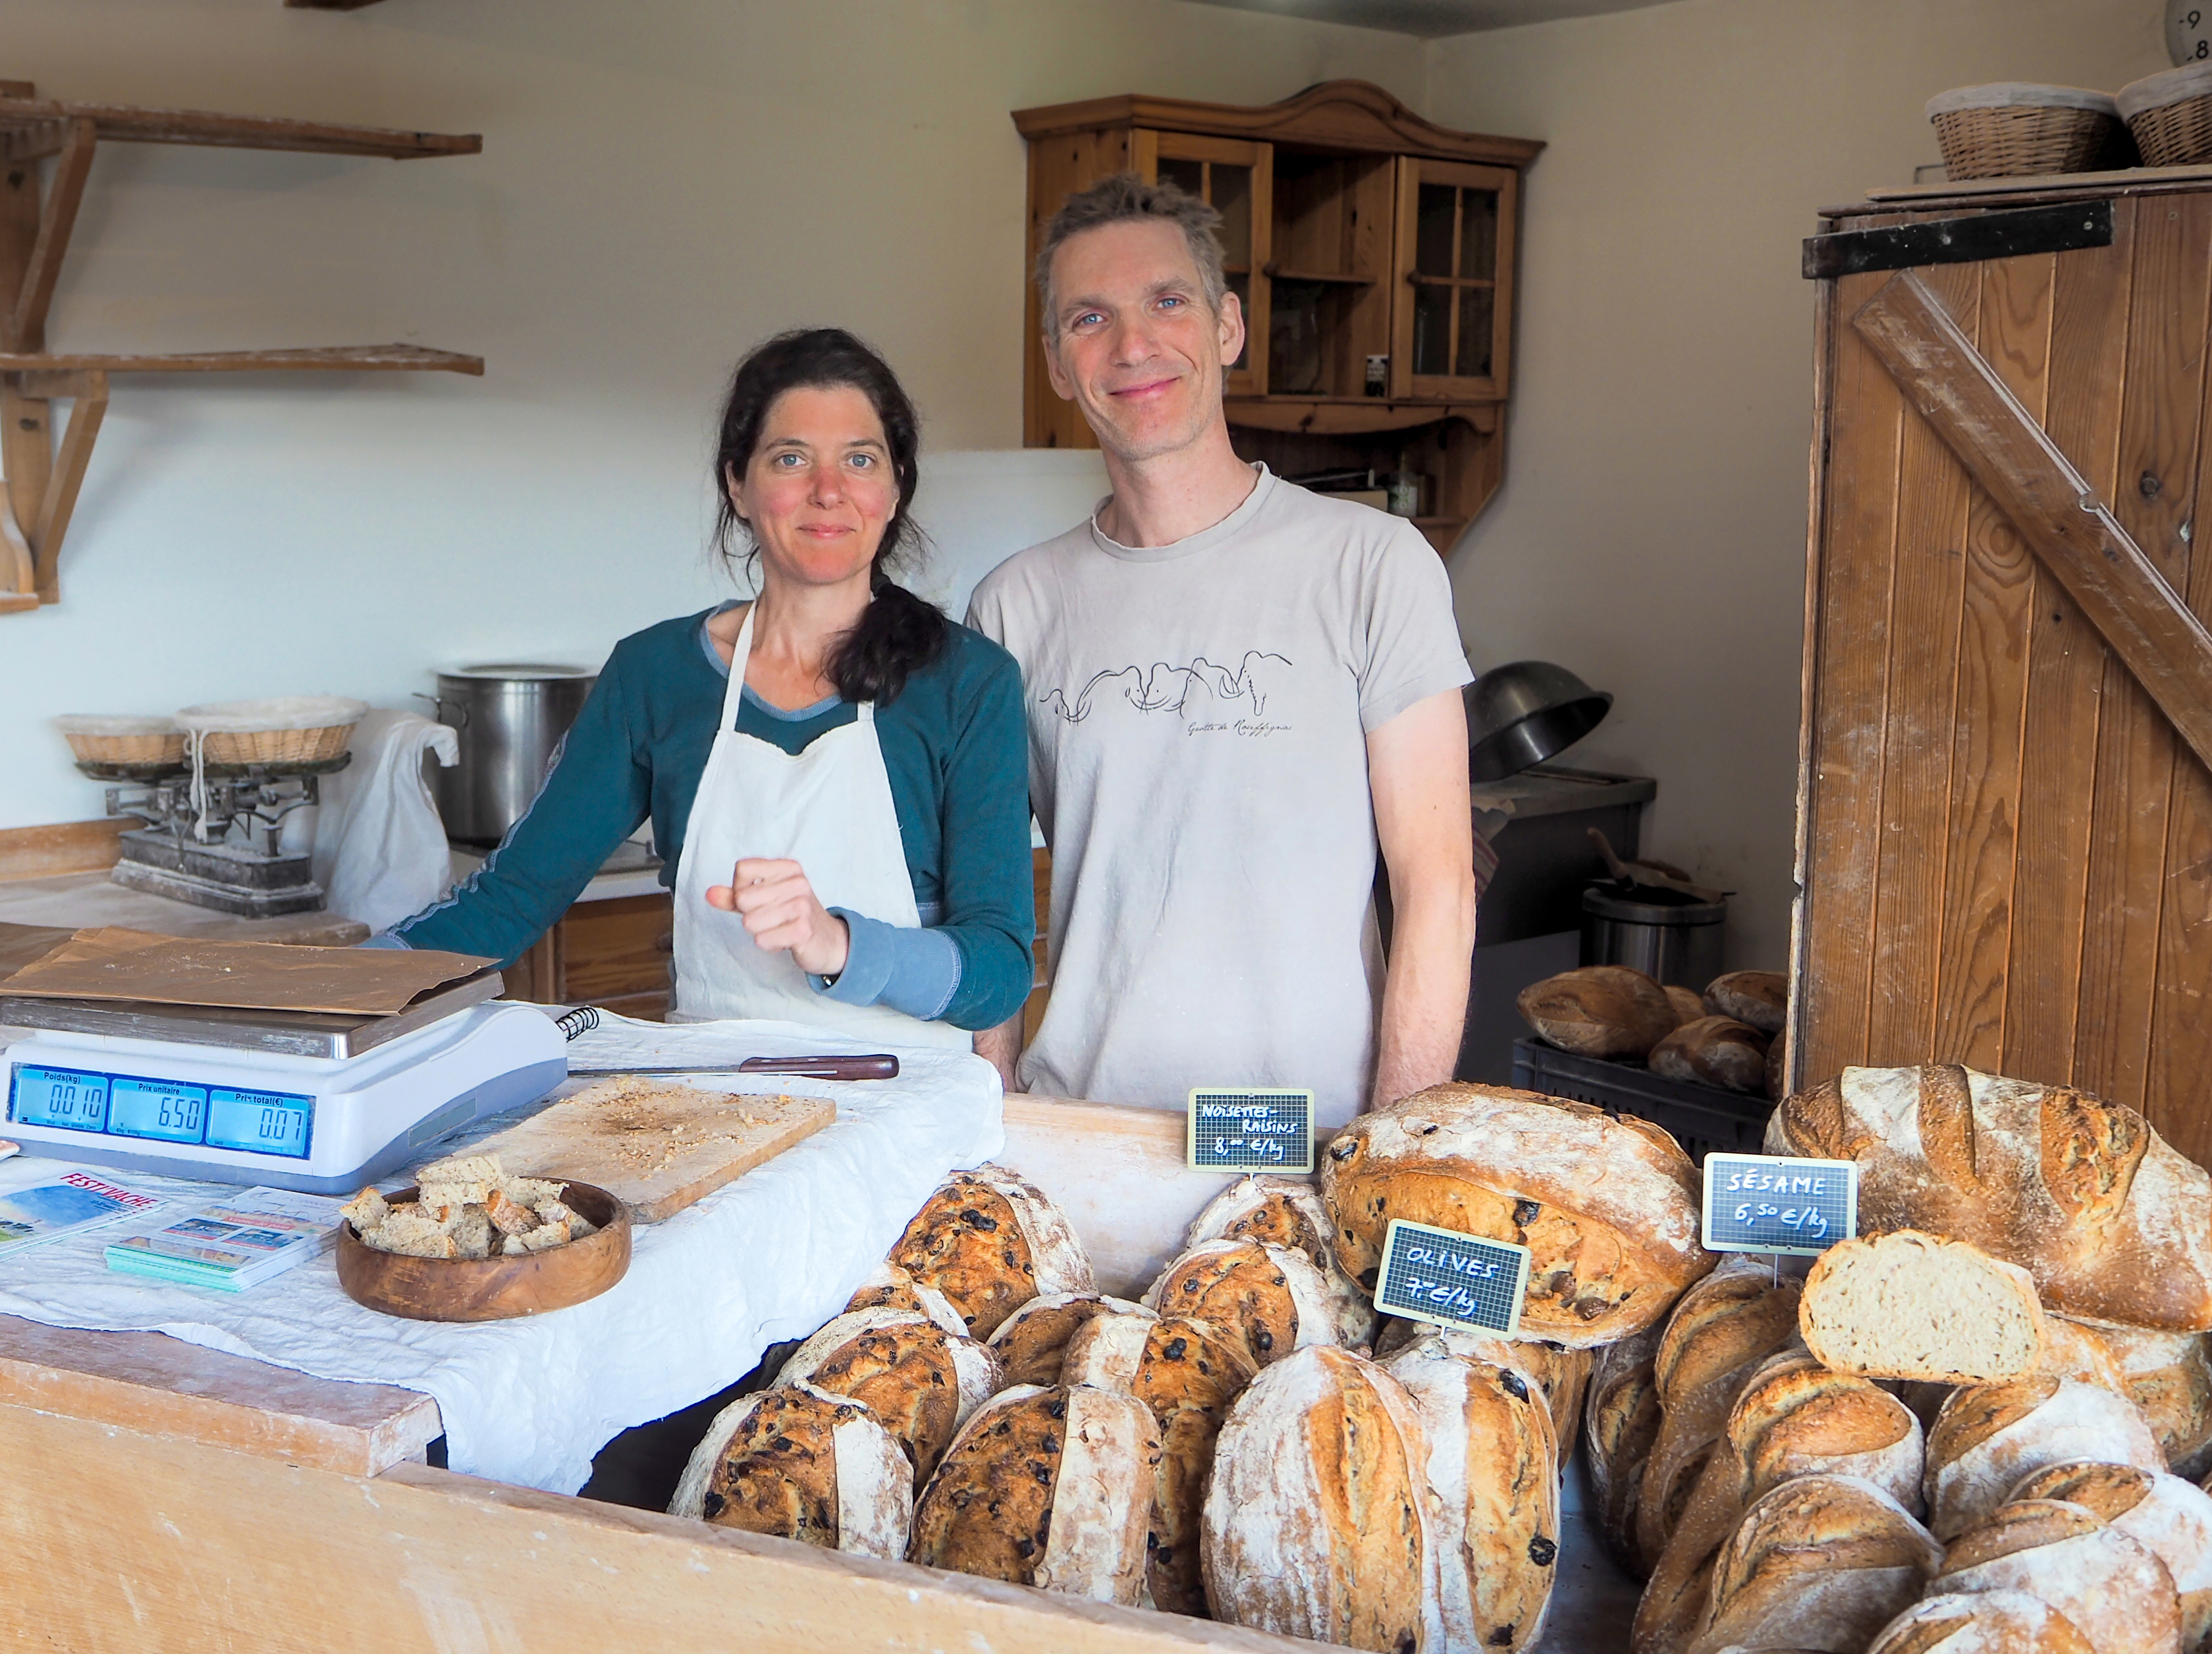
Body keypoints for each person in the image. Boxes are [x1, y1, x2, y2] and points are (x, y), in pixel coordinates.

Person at [967, 174, 1476, 1121]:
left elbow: (1436, 887)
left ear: (1227, 327)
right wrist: (994, 1099)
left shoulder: (1371, 563)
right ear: (1054, 360)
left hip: (1311, 1129)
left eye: (1168, 301)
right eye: (1089, 318)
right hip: (1085, 1124)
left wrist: (1394, 1144)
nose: (1132, 346)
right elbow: (987, 891)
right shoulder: (1013, 607)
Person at [385, 329, 1035, 1048]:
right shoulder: (655, 675)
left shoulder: (969, 683)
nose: (829, 492)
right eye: (792, 459)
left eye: (860, 459)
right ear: (739, 482)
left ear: (895, 485)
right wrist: (326, 990)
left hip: (909, 1119)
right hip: (704, 1113)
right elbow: (511, 900)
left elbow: (998, 970)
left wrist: (838, 943)